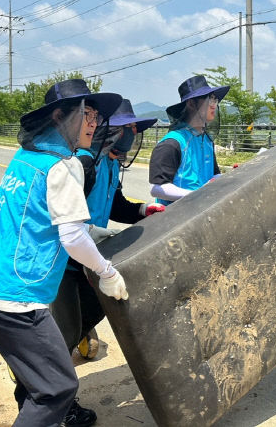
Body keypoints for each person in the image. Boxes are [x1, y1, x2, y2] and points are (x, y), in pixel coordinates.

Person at [0, 79, 129, 427]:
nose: (93, 124)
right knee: (57, 387)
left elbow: (45, 220)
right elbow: (70, 237)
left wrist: (95, 231)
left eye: (96, 116)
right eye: (86, 114)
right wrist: (107, 272)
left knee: (35, 378)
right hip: (16, 298)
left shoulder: (27, 158)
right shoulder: (62, 165)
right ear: (59, 117)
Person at [51, 99, 164, 381]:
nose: (133, 133)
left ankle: (59, 354)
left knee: (96, 310)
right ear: (111, 131)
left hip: (90, 257)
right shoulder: (85, 163)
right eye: (129, 127)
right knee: (64, 330)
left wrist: (141, 211)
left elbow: (115, 205)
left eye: (135, 128)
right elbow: (68, 227)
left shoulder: (112, 164)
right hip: (66, 259)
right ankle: (45, 384)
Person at [149, 75, 229, 205]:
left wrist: (231, 176)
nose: (214, 105)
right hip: (175, 218)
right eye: (209, 99)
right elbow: (157, 188)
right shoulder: (172, 143)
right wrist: (198, 195)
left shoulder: (207, 141)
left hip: (201, 211)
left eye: (215, 99)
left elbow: (213, 176)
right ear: (191, 104)